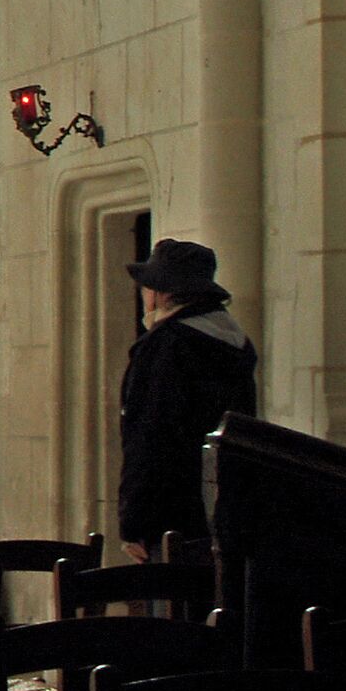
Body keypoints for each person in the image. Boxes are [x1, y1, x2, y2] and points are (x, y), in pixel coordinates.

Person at [116, 237, 257, 560]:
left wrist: (134, 523)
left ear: (160, 292)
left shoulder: (165, 345)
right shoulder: (236, 344)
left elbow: (148, 437)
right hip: (226, 513)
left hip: (170, 519)